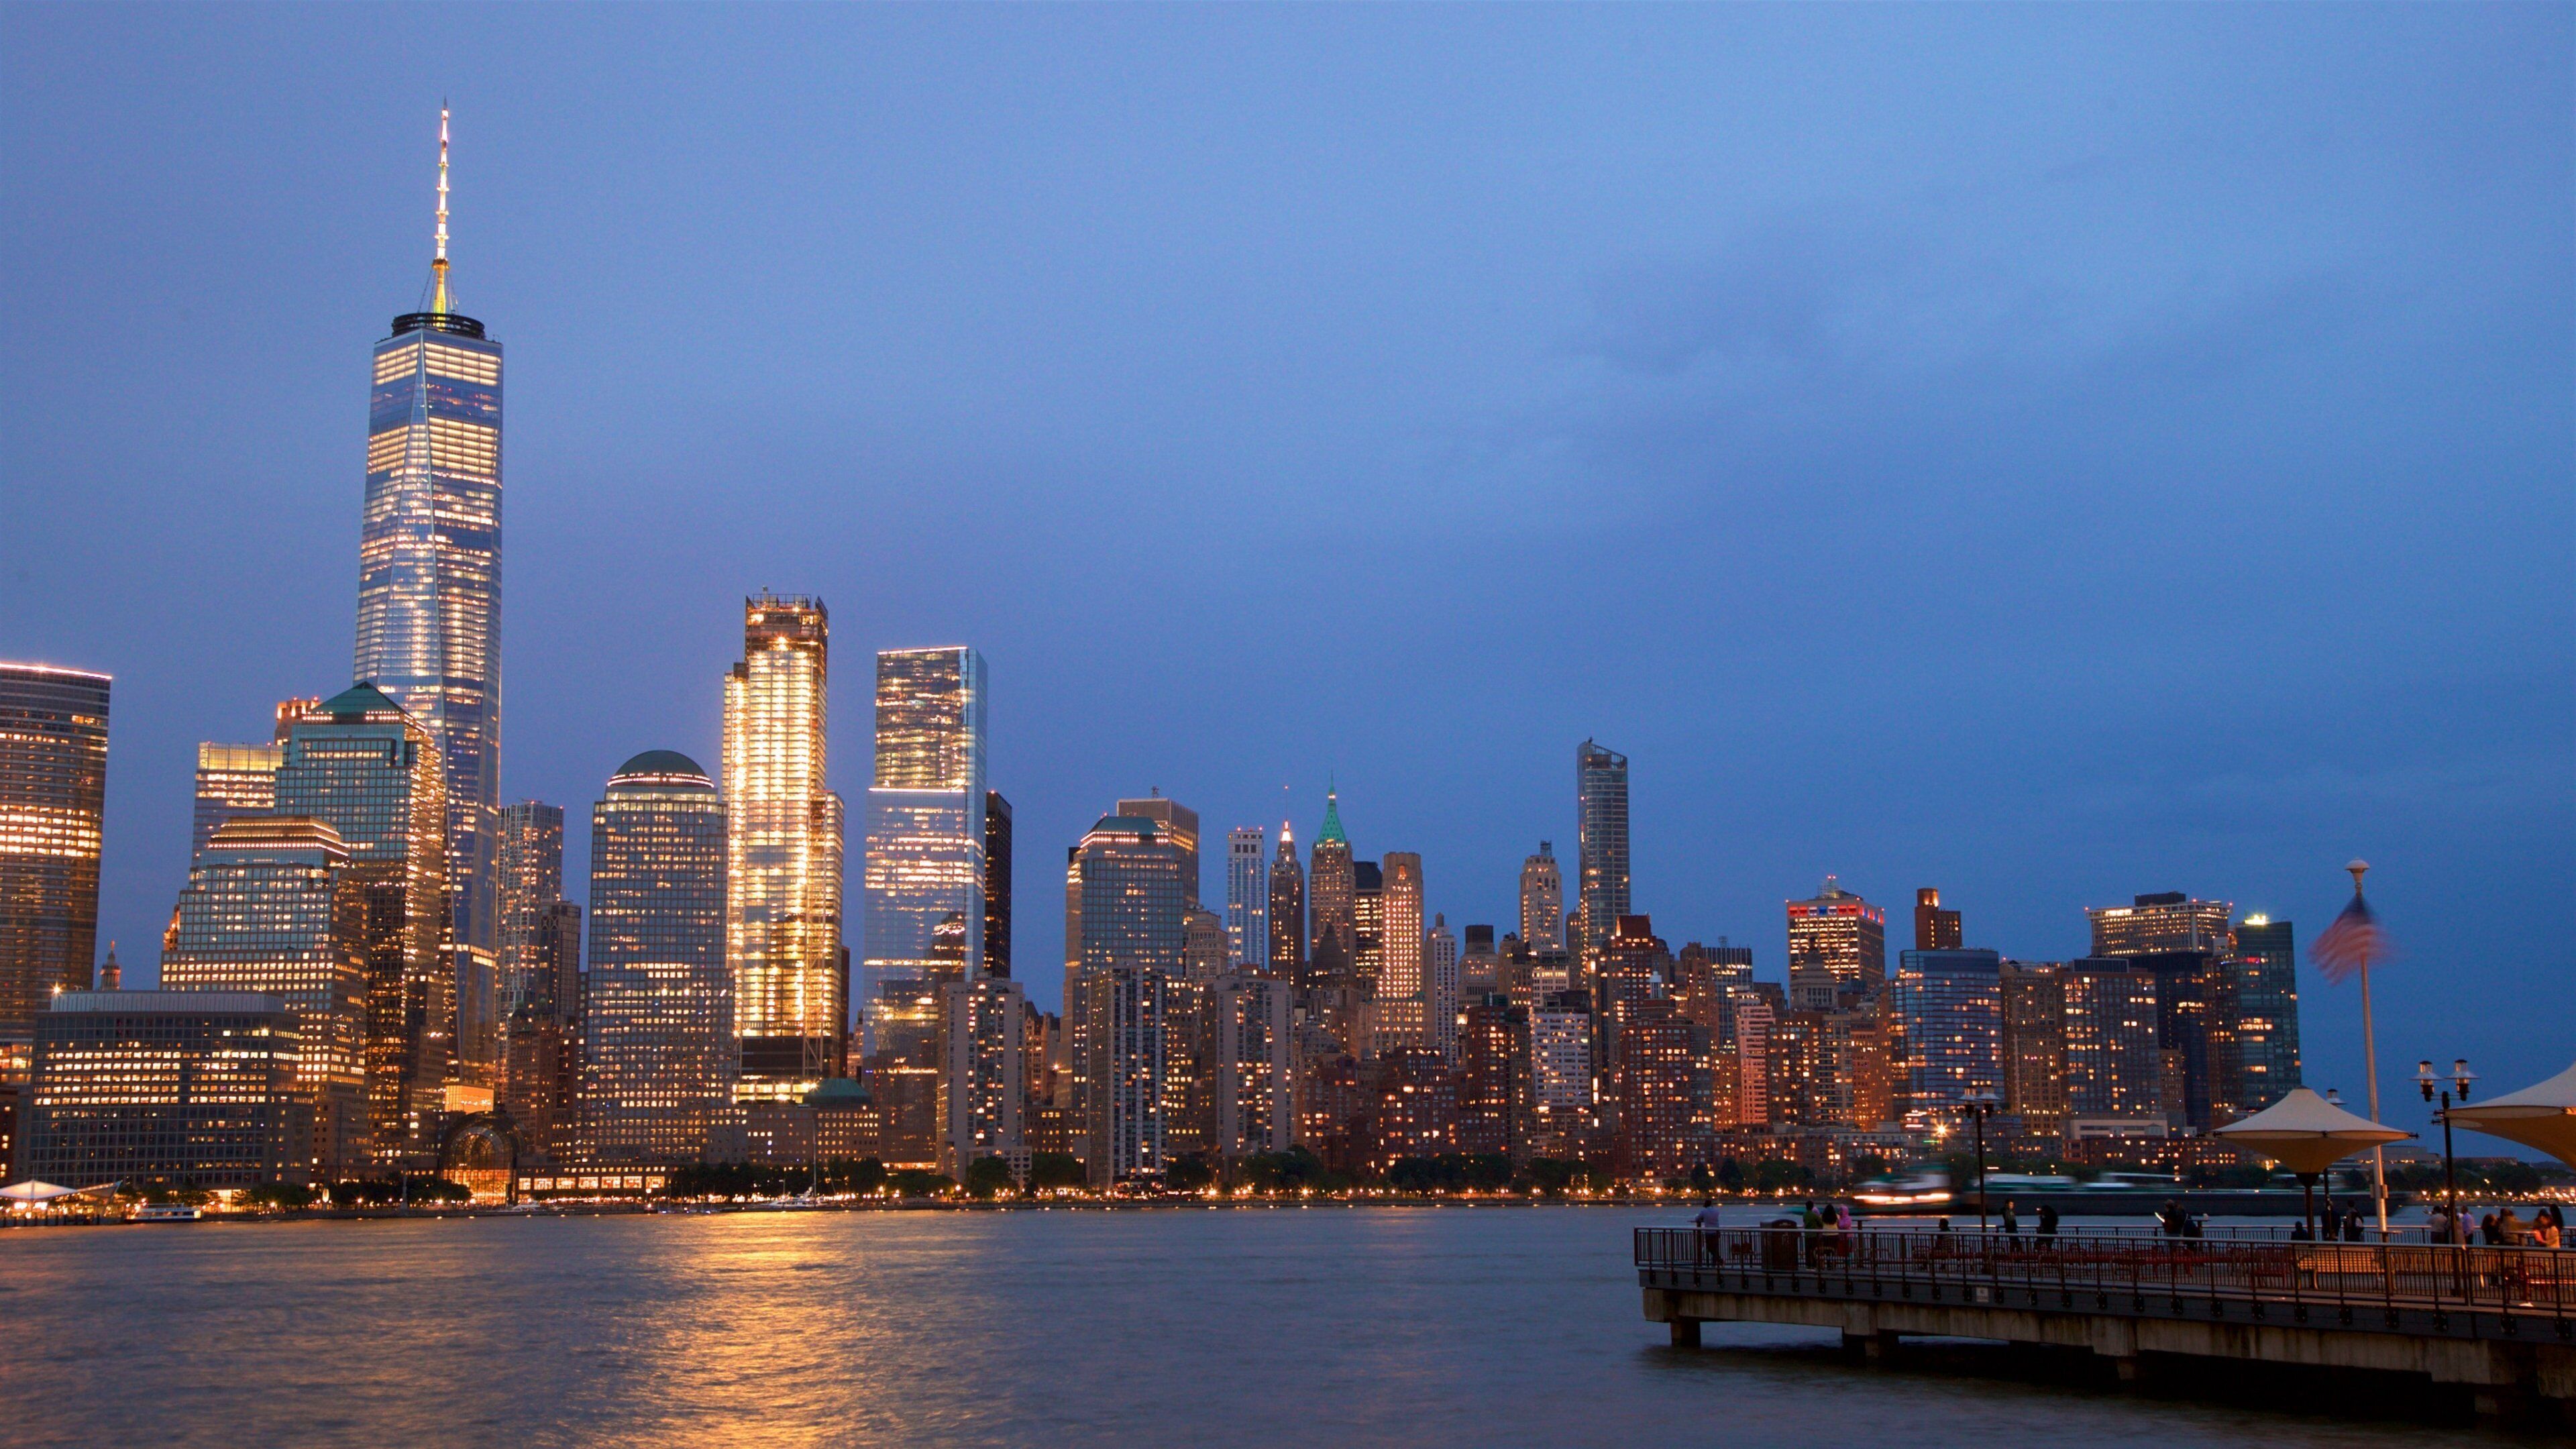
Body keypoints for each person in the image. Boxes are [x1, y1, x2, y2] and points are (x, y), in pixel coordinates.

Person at [1694, 1196, 1725, 1263]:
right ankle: (1716, 1261)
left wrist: (1703, 1218)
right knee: (1715, 1247)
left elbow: (1697, 1219)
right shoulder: (1716, 1211)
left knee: (1709, 1247)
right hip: (1716, 1231)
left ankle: (1719, 1260)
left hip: (1709, 1232)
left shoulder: (1704, 1211)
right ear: (1711, 1204)